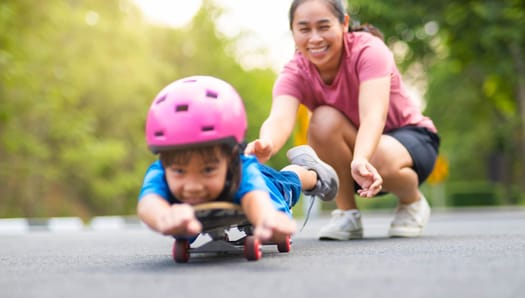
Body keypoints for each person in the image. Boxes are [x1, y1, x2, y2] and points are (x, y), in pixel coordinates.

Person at [245, 0, 440, 240]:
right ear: (293, 32)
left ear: (344, 23)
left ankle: (412, 203)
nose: (315, 38)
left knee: (378, 156)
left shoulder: (369, 50)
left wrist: (360, 159)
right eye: (304, 29)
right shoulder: (295, 71)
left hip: (410, 139)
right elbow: (279, 118)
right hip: (356, 157)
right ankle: (347, 214)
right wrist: (267, 143)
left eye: (324, 26)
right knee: (322, 120)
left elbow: (373, 115)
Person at [137, 75, 339, 243]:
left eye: (208, 170)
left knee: (286, 184)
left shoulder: (242, 169)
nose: (193, 186)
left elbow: (256, 199)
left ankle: (310, 172)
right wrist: (163, 217)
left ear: (232, 157)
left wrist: (266, 219)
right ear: (164, 162)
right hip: (227, 193)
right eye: (179, 172)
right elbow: (148, 202)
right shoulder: (160, 170)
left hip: (263, 185)